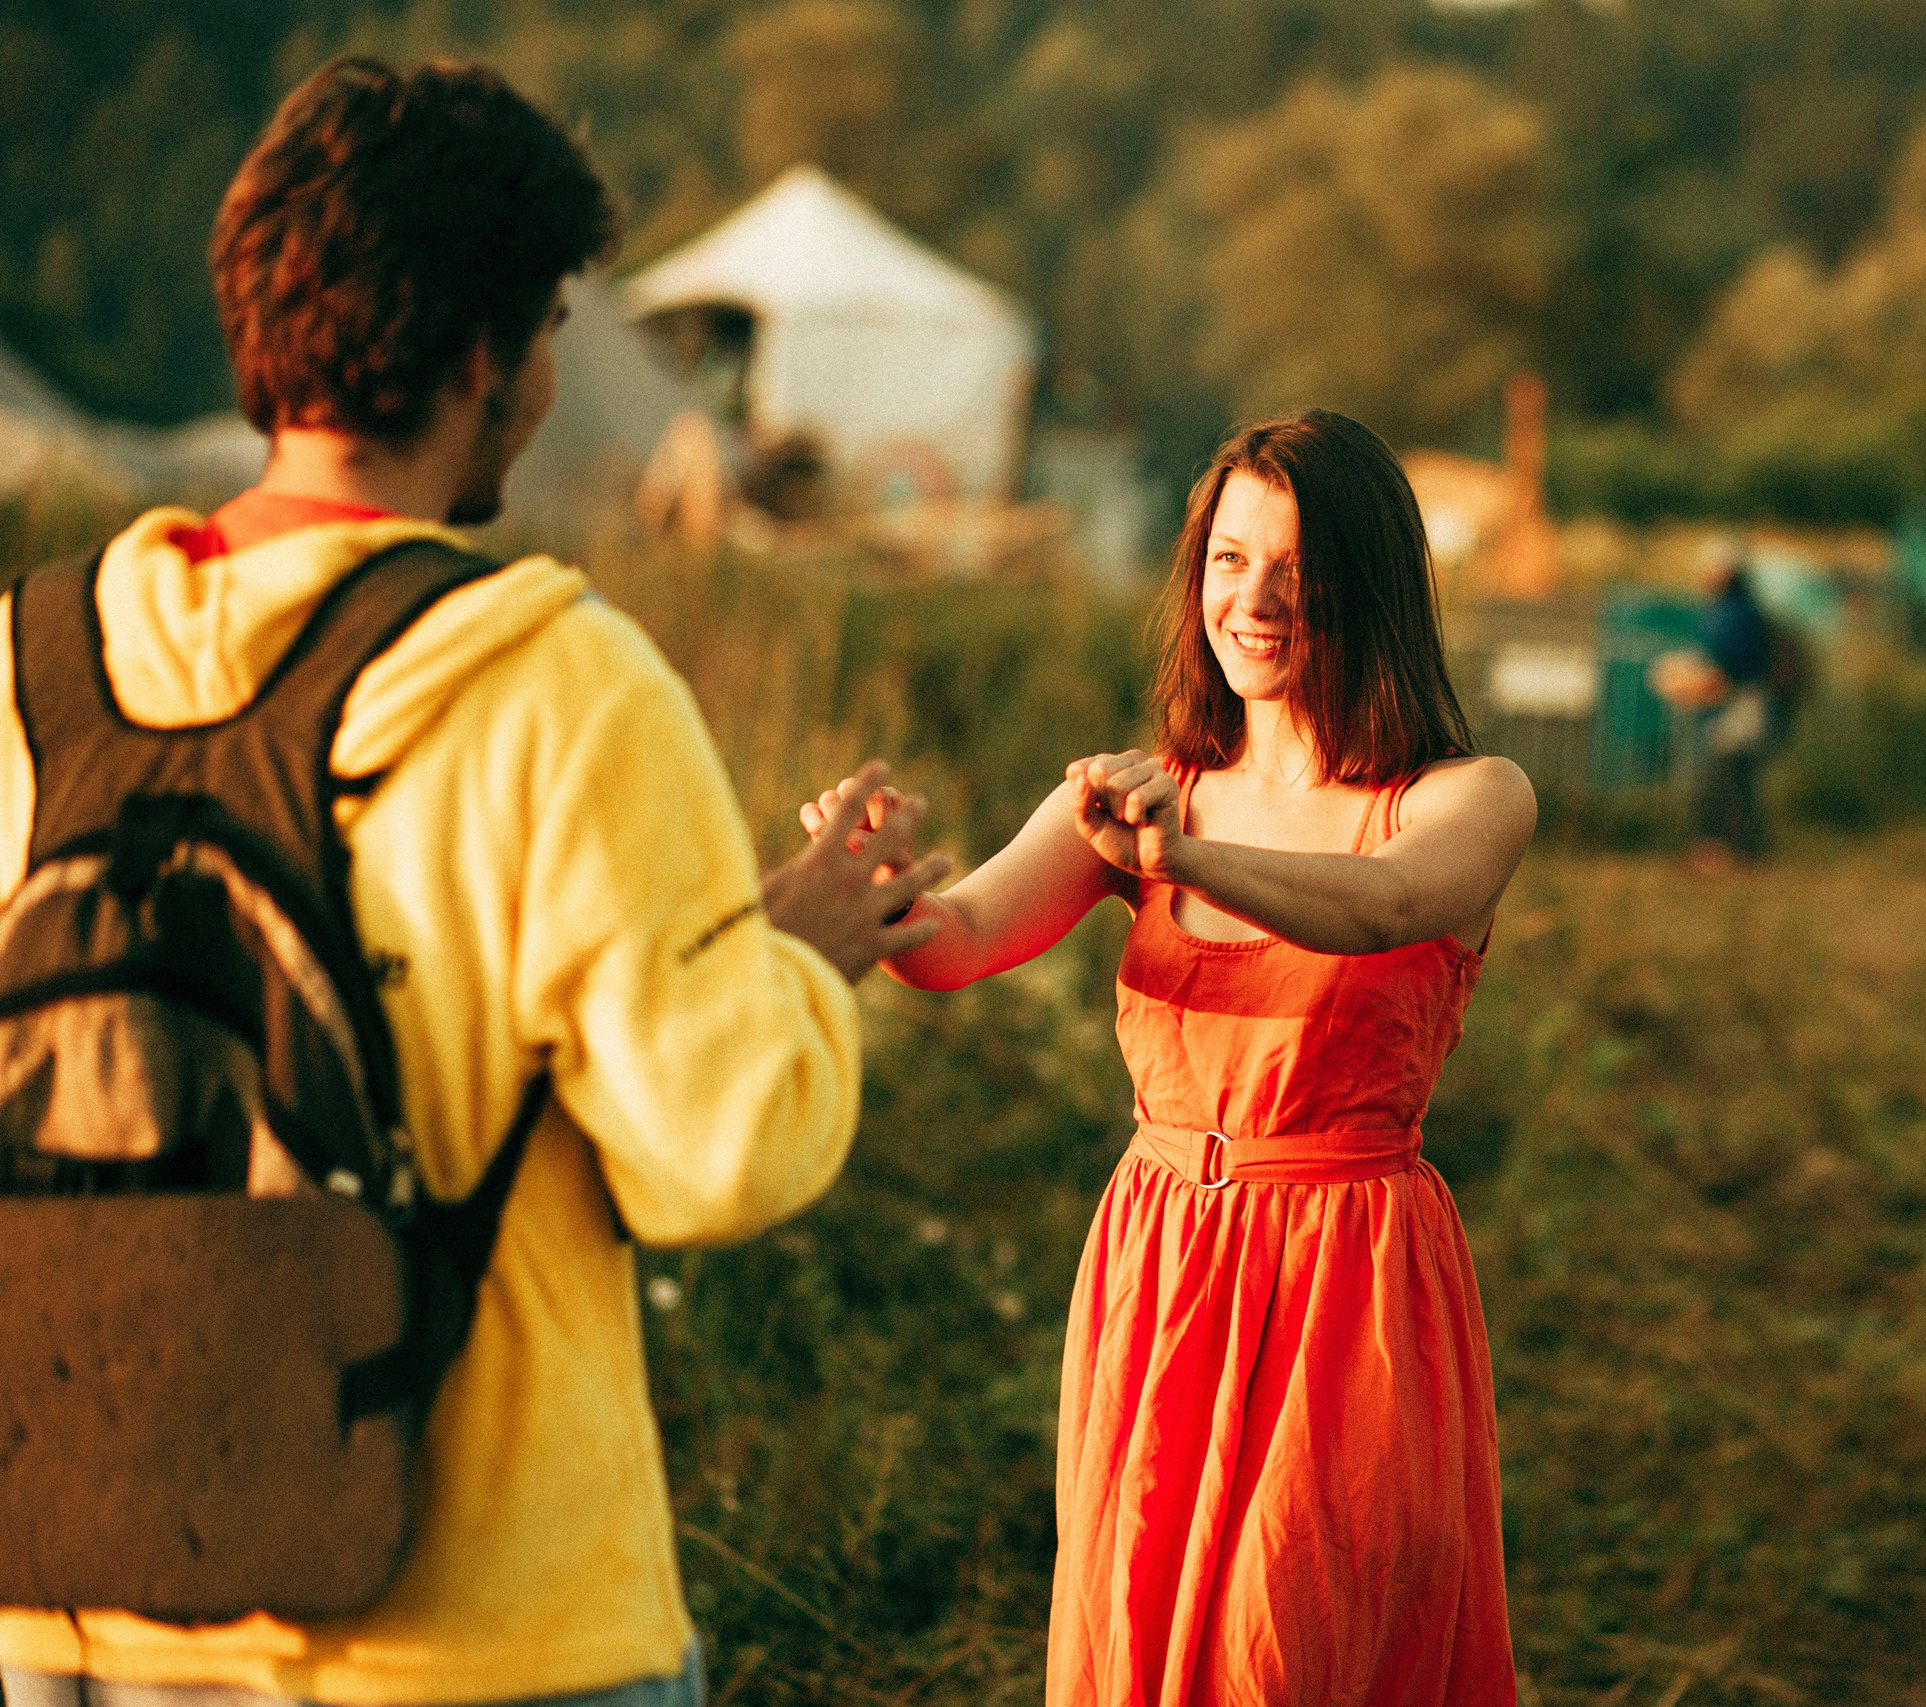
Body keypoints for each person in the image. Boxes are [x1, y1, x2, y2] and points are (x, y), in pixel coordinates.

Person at [0, 58, 942, 1706]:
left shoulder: (32, 669)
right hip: (475, 1631)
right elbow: (713, 1151)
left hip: (71, 1589)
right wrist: (790, 967)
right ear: (487, 361)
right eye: (553, 328)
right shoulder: (556, 680)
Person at [801, 409, 1535, 1705]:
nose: (1254, 601)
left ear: (1370, 586)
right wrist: (872, 892)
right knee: (1138, 1636)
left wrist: (1181, 859)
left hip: (1345, 1286)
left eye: (1297, 572)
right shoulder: (1146, 794)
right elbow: (958, 941)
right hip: (1162, 1270)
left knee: (1292, 1645)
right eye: (1228, 561)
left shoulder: (1464, 796)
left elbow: (1383, 905)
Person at [1649, 534, 1777, 866]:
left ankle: (1732, 851)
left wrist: (1687, 682)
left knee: (1724, 781)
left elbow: (1726, 671)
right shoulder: (1735, 609)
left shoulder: (1733, 613)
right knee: (1734, 782)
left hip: (1740, 710)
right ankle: (1740, 851)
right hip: (1738, 709)